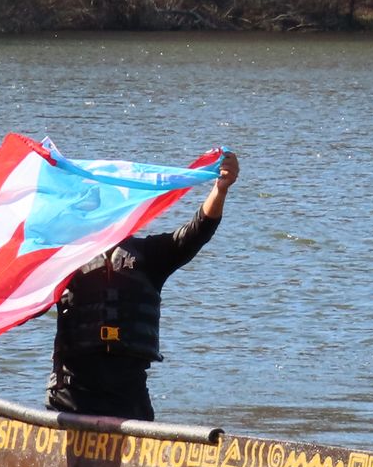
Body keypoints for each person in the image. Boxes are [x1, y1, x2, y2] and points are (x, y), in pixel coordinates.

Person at [45, 151, 240, 420]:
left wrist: (220, 189)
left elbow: (198, 230)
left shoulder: (149, 256)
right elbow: (14, 301)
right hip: (69, 398)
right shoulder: (60, 260)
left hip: (128, 397)